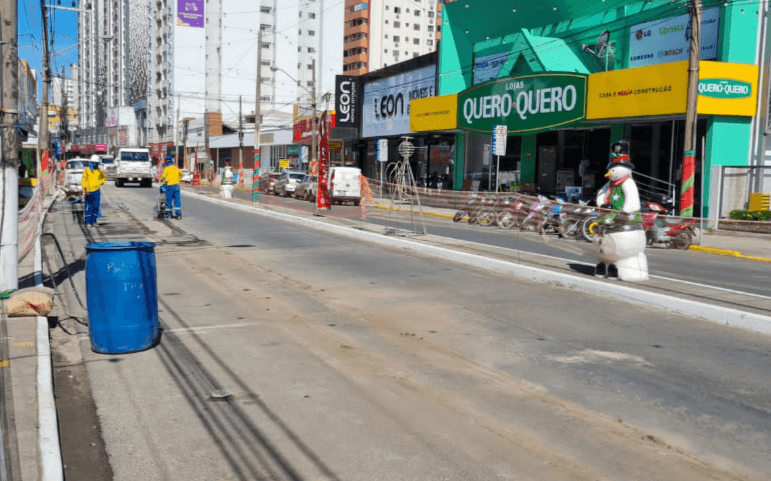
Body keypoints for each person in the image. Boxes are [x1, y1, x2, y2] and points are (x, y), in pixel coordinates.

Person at [81, 155, 106, 227]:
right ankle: (88, 222)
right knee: (89, 207)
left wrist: (100, 182)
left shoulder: (99, 170)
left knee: (96, 206)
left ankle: (94, 221)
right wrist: (85, 189)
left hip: (96, 191)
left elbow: (104, 178)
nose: (95, 164)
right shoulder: (87, 170)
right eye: (93, 163)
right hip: (89, 191)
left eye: (96, 163)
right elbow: (84, 180)